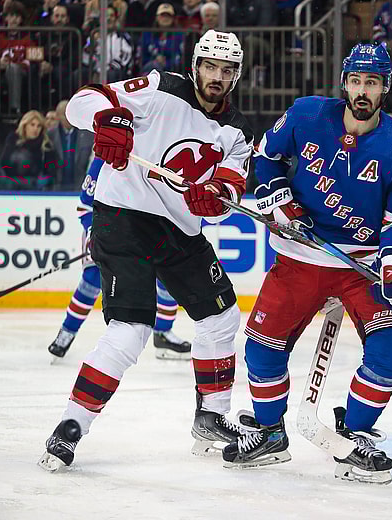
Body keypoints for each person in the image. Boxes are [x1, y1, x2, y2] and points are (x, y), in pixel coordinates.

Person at [38, 30, 254, 472]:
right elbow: (82, 101)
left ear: (236, 76)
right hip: (123, 216)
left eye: (226, 70)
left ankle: (212, 416)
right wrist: (108, 120)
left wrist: (216, 195)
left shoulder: (238, 131)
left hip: (178, 230)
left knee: (222, 316)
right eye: (210, 66)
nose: (216, 76)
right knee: (130, 330)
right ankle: (70, 428)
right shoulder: (160, 88)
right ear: (195, 65)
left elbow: (229, 189)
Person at [222, 42, 392, 485]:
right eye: (356, 80)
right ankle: (271, 432)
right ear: (344, 82)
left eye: (372, 82)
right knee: (260, 346)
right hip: (302, 254)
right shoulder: (306, 114)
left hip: (361, 262)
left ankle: (354, 433)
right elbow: (265, 157)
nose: (362, 90)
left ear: (385, 88)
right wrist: (278, 198)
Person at [46, 157, 193, 361]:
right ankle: (67, 332)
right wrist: (95, 232)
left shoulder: (154, 151)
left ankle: (162, 334)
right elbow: (84, 207)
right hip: (105, 228)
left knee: (168, 273)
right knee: (92, 278)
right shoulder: (104, 158)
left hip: (146, 228)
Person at [0, 110, 58, 190]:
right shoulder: (12, 141)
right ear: (25, 125)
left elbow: (51, 173)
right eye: (32, 125)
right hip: (11, 189)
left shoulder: (46, 146)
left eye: (39, 126)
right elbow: (3, 164)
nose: (35, 129)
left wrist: (44, 181)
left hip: (35, 191)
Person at [46, 100, 93, 191]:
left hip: (81, 186)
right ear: (58, 116)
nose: (68, 118)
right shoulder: (50, 135)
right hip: (56, 186)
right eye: (64, 115)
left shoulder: (88, 134)